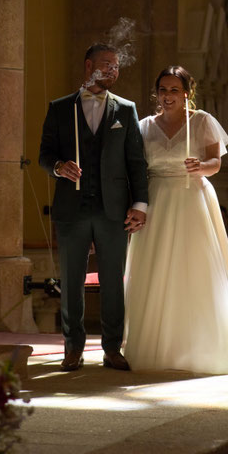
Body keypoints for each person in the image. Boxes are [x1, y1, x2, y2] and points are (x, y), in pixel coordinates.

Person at [123, 66, 228, 374]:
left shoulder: (202, 122)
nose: (167, 96)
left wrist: (201, 165)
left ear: (187, 93)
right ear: (156, 92)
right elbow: (135, 169)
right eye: (163, 90)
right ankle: (158, 346)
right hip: (158, 200)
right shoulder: (144, 126)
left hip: (193, 200)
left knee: (194, 270)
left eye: (174, 90)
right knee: (158, 270)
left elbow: (216, 163)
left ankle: (202, 345)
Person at [39, 43, 148, 371]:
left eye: (116, 65)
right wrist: (59, 167)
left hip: (113, 210)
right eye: (106, 64)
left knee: (114, 280)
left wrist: (141, 204)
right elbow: (44, 155)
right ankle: (73, 348)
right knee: (71, 281)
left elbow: (136, 162)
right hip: (72, 207)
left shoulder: (126, 110)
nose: (113, 70)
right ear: (88, 66)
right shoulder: (60, 108)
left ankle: (112, 348)